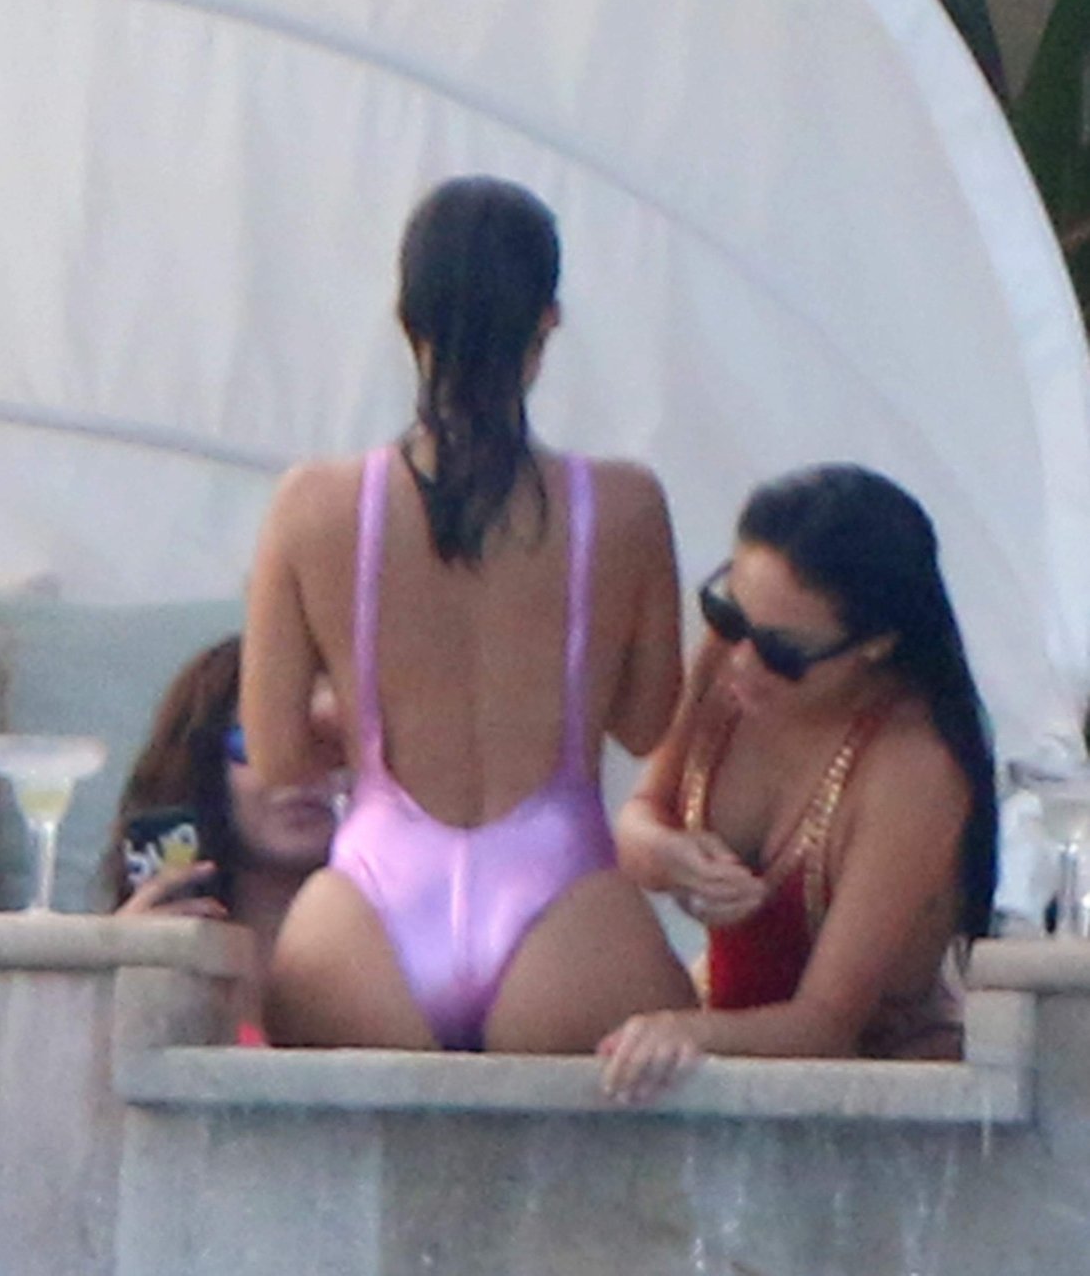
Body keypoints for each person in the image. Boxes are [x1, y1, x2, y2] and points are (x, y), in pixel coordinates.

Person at [243, 174, 697, 1052]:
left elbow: (277, 757)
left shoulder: (312, 506)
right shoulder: (623, 508)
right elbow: (646, 724)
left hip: (368, 910)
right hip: (565, 899)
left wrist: (365, 708)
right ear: (546, 322)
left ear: (405, 318)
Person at [599, 464, 997, 1103]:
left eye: (782, 652)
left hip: (877, 1084)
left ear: (875, 646)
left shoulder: (912, 769)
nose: (741, 659)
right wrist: (667, 855)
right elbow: (637, 817)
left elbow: (826, 1025)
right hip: (741, 1038)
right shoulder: (728, 664)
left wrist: (683, 1030)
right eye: (727, 615)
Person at [106, 635, 345, 970]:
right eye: (257, 743)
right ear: (204, 764)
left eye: (332, 742)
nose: (299, 768)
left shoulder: (412, 958)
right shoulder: (135, 952)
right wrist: (114, 972)